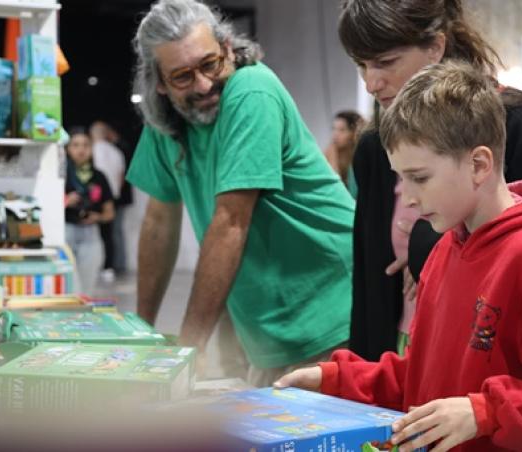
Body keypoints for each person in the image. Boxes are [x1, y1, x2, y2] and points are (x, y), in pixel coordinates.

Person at [276, 61, 522, 452]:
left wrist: (484, 413)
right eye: (401, 178)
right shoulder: (445, 250)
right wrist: (334, 379)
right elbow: (423, 379)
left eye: (420, 177)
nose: (408, 197)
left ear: (479, 165)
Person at [338, 0, 522, 398]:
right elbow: (372, 285)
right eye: (361, 65)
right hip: (425, 364)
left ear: (436, 47)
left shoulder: (509, 120)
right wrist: (356, 386)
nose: (370, 82)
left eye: (386, 62)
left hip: (511, 376)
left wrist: (425, 247)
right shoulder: (375, 149)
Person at [127, 0, 354, 386]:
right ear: (160, 85)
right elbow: (158, 222)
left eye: (210, 64)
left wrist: (191, 347)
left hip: (332, 303)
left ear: (229, 48)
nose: (203, 85)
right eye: (182, 76)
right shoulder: (164, 122)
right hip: (269, 324)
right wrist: (142, 331)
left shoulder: (251, 91)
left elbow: (231, 221)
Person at [64, 127, 115, 295]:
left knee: (86, 289)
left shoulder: (99, 176)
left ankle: (82, 319)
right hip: (66, 232)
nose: (81, 149)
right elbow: (46, 207)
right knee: (67, 286)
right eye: (76, 145)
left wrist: (97, 217)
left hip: (91, 234)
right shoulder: (61, 175)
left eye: (86, 145)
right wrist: (66, 201)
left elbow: (110, 212)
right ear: (68, 148)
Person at [89, 120, 127, 282]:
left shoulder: (94, 151)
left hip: (98, 198)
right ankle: (111, 266)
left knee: (98, 234)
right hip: (115, 197)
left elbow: (95, 177)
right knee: (112, 233)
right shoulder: (116, 152)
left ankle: (101, 266)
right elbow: (121, 176)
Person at [322, 110, 363, 196]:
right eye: (334, 129)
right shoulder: (330, 152)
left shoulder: (359, 156)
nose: (335, 134)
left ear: (354, 132)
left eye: (342, 130)